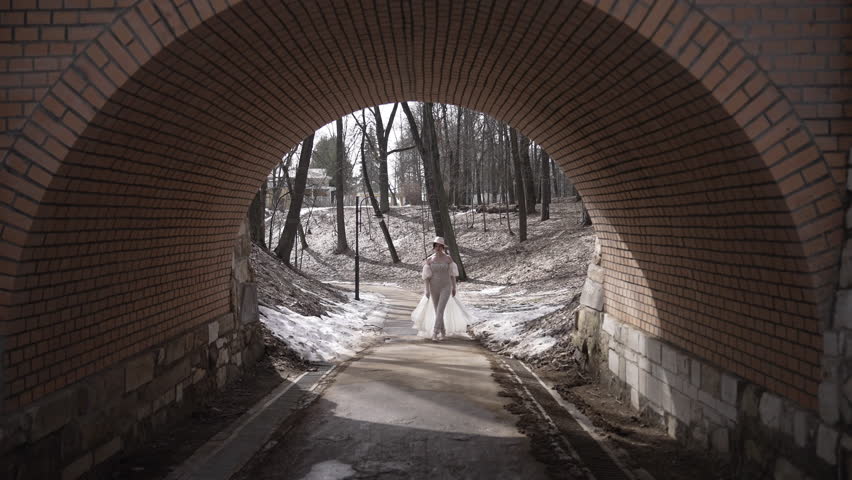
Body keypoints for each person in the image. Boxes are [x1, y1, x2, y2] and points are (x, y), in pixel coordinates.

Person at [411, 236, 472, 341]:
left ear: (443, 247)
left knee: (440, 310)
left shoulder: (448, 259)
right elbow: (426, 277)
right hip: (434, 287)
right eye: (436, 246)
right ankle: (443, 331)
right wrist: (427, 290)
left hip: (446, 286)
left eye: (440, 246)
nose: (438, 247)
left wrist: (454, 287)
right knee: (437, 311)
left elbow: (452, 275)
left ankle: (435, 333)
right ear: (434, 247)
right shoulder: (430, 260)